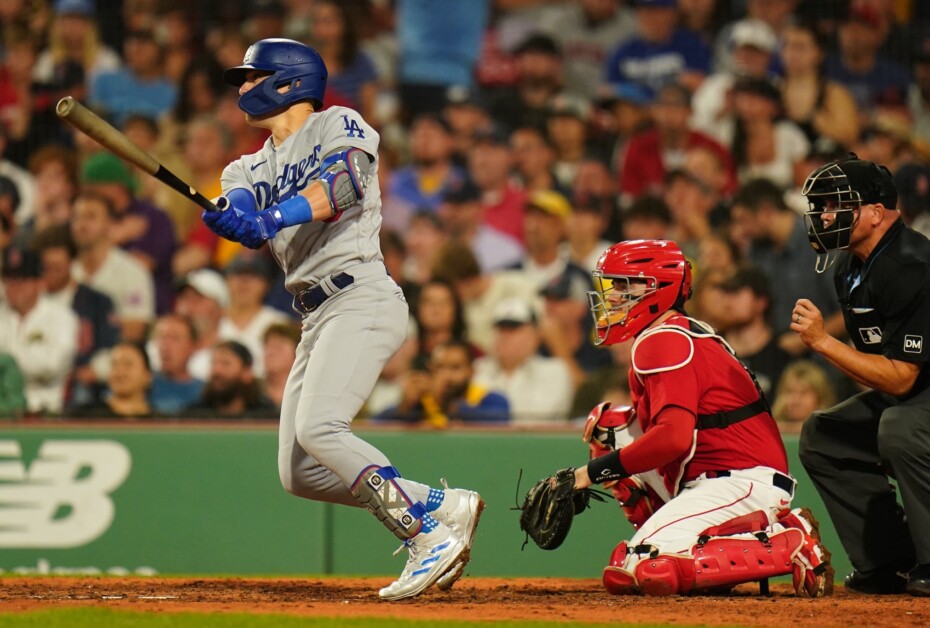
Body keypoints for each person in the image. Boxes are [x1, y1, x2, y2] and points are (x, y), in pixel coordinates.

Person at [200, 38, 483, 600]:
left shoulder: (338, 124)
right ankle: (440, 504)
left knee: (320, 428)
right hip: (315, 313)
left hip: (362, 295)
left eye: (252, 77)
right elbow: (239, 200)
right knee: (299, 472)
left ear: (288, 81)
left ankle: (426, 536)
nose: (242, 88)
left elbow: (347, 182)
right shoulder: (248, 163)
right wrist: (234, 218)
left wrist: (275, 214)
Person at [568, 239, 832, 597]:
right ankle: (680, 534)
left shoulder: (664, 340)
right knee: (609, 427)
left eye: (624, 285)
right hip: (712, 476)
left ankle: (788, 541)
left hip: (741, 480)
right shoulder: (675, 332)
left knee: (643, 567)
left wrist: (589, 474)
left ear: (657, 290)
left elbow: (673, 438)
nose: (613, 297)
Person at [795, 154, 930, 596]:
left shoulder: (913, 266)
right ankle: (888, 560)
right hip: (915, 393)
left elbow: (902, 380)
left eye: (836, 204)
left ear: (876, 213)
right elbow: (881, 369)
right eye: (821, 206)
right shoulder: (850, 269)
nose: (823, 215)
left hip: (916, 392)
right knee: (824, 433)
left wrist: (823, 342)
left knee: (899, 426)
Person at [0, 245, 78, 415]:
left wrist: (7, 363)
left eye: (22, 281)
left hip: (47, 408)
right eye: (9, 280)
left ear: (39, 282)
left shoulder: (61, 317)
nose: (15, 287)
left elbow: (52, 365)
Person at [374, 339, 510, 427]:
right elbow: (374, 425)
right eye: (440, 367)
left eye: (455, 367)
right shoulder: (422, 402)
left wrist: (447, 404)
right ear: (430, 369)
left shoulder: (489, 399)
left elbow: (502, 419)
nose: (446, 375)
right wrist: (404, 406)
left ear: (471, 371)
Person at [185, 340, 277, 420]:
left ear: (246, 373)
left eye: (226, 363)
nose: (217, 370)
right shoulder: (194, 415)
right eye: (214, 363)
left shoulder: (266, 416)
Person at [71, 341, 157, 419]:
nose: (120, 372)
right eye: (114, 365)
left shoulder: (161, 424)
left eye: (128, 364)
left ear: (148, 375)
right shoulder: (85, 417)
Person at [148, 313, 204, 415]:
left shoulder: (204, 392)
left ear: (193, 346)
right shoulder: (143, 385)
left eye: (175, 338)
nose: (165, 346)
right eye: (162, 337)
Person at [771, 360, 836, 434]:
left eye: (803, 393)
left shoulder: (832, 433)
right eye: (790, 392)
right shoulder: (769, 429)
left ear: (820, 396)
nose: (795, 400)